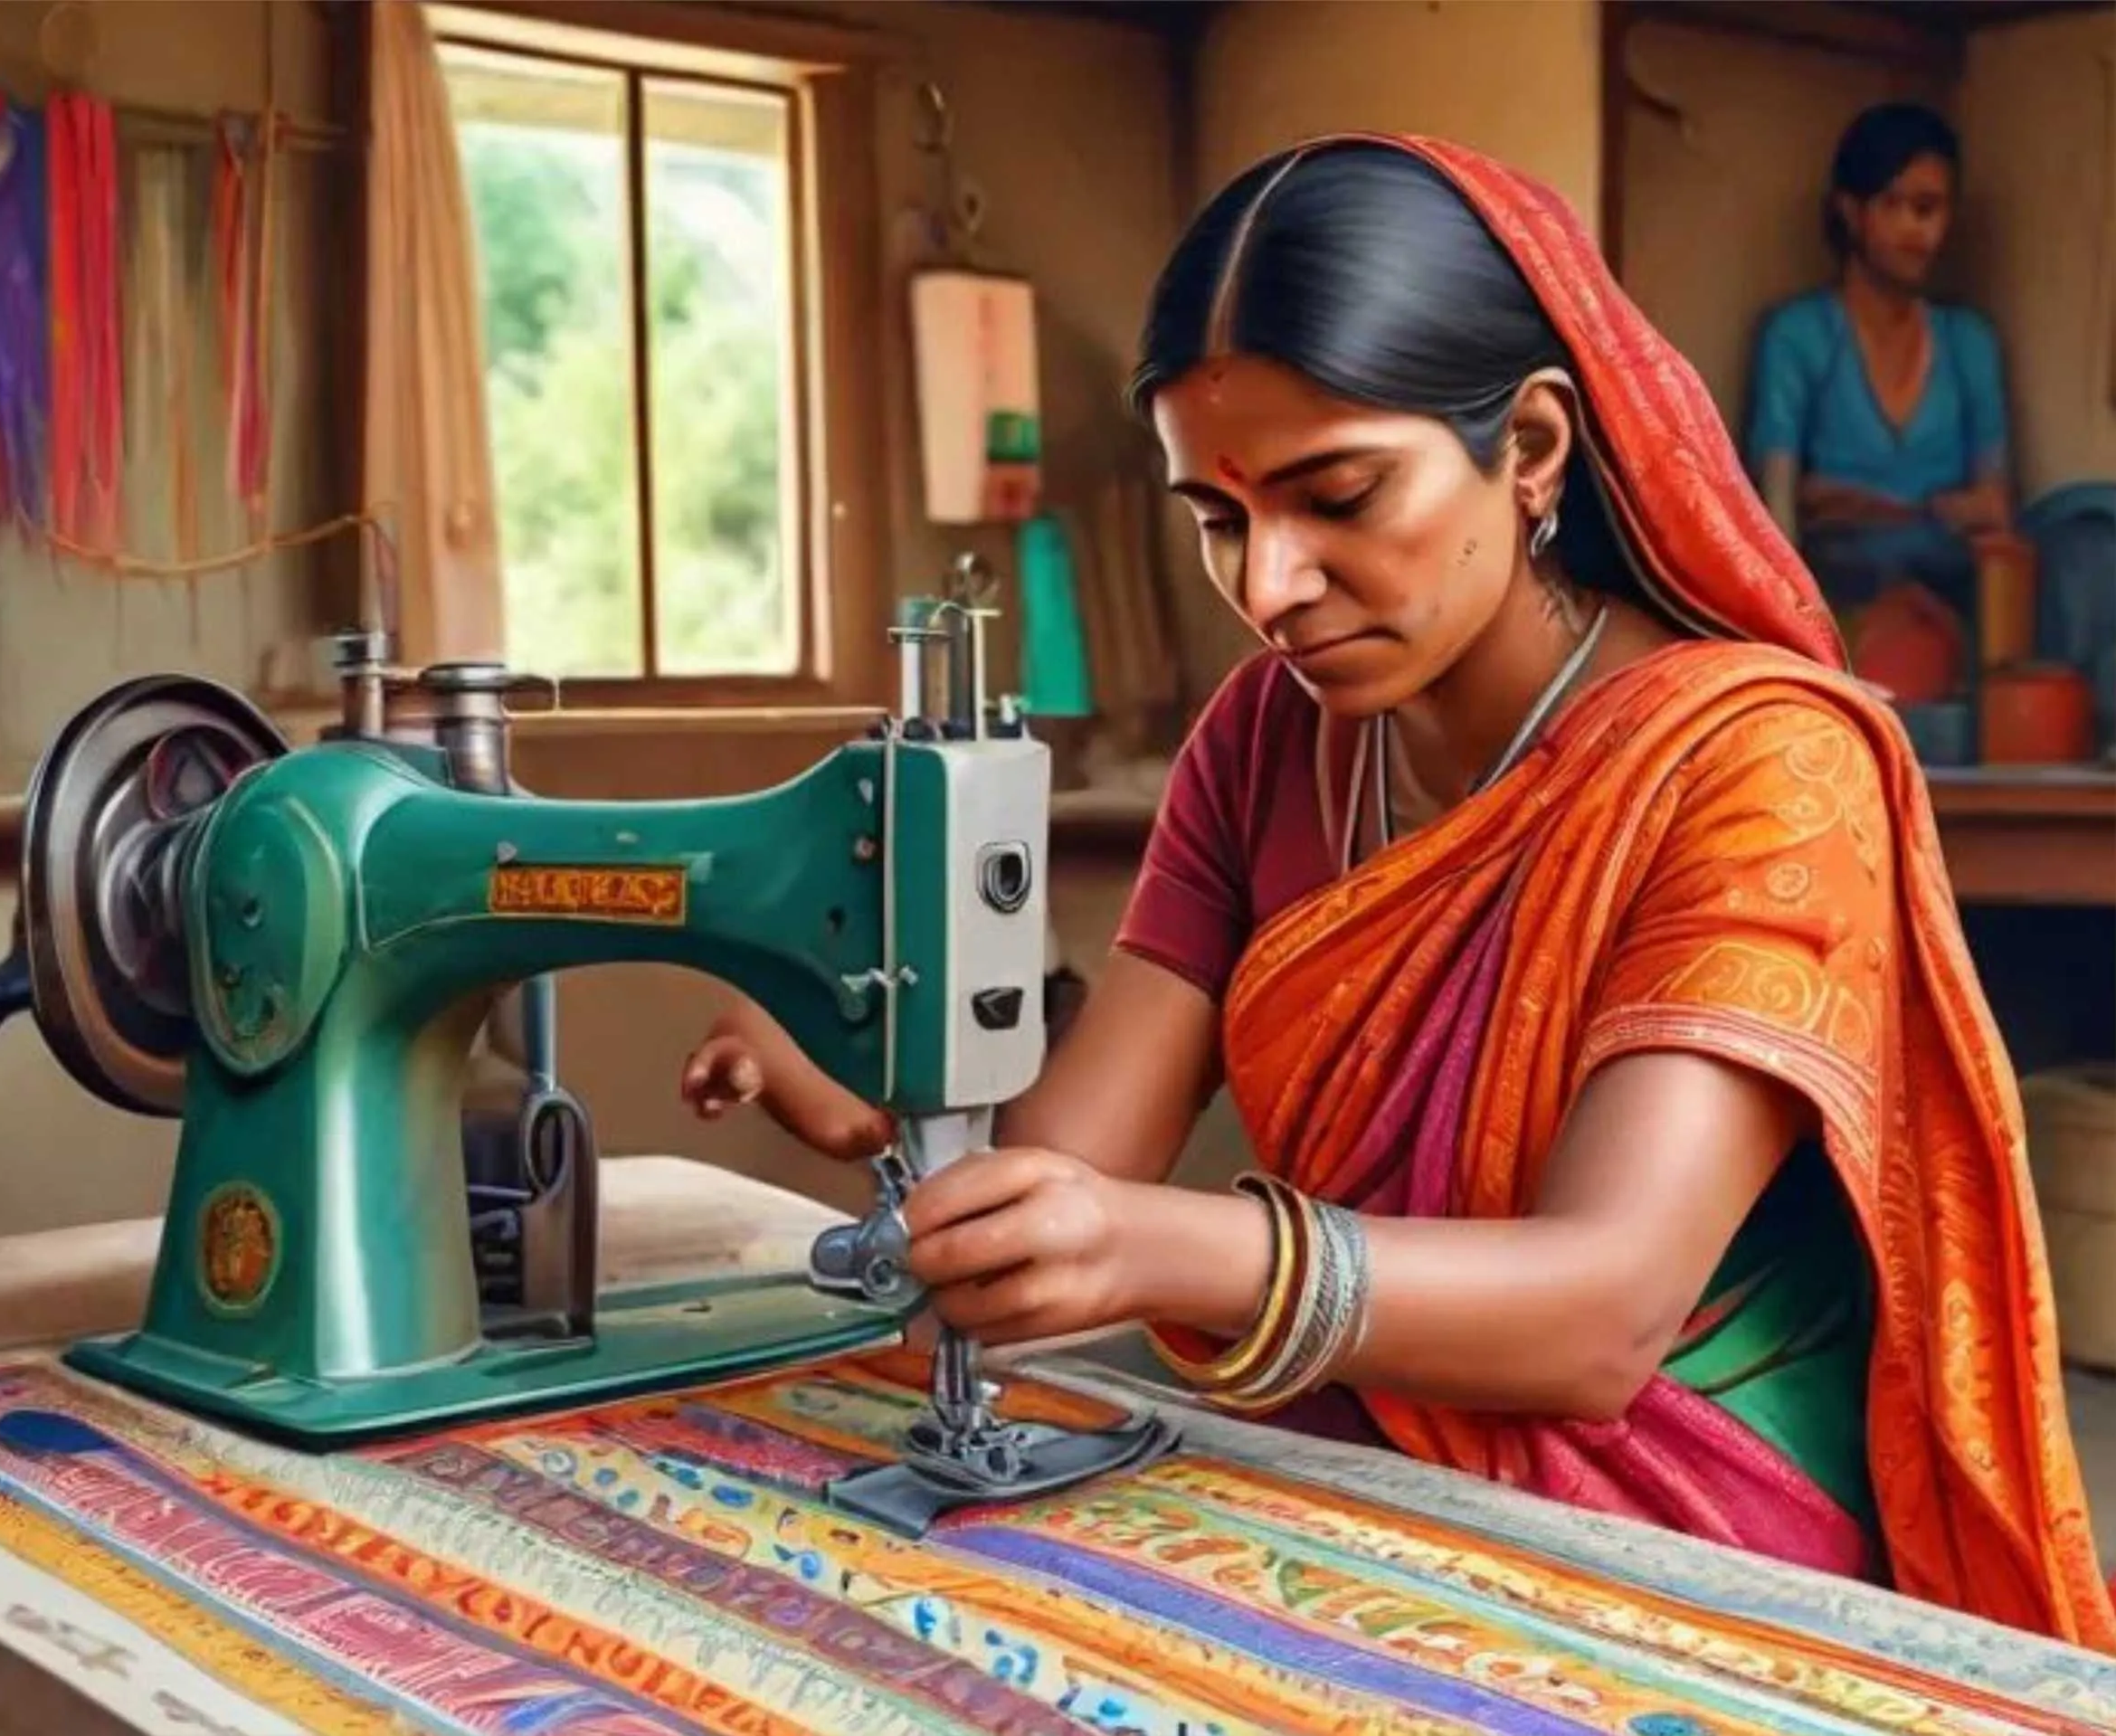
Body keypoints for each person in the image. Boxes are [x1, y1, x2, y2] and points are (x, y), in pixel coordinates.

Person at [682, 135, 2114, 1649]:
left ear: (1534, 446)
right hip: (1357, 1461)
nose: (1269, 584)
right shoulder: (1258, 740)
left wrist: (1162, 1241)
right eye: (1216, 515)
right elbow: (1073, 1162)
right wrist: (887, 1102)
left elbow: (1600, 1310)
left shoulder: (1754, 759)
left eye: (1338, 493)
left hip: (1693, 1538)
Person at [1745, 102, 2014, 621]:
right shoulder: (1797, 336)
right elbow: (1775, 511)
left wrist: (1870, 505)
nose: (1917, 228)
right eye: (1895, 204)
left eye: (1931, 207)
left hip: (1947, 605)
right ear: (1851, 210)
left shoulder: (1969, 342)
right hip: (1836, 605)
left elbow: (1996, 508)